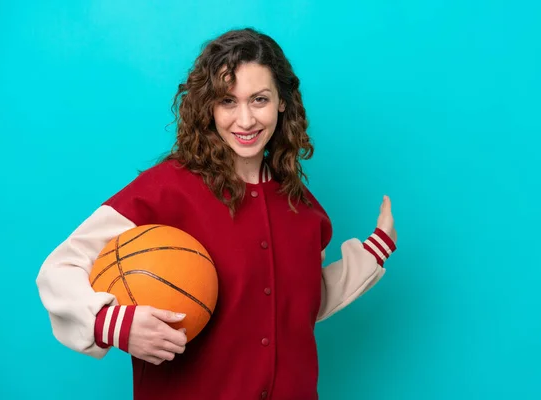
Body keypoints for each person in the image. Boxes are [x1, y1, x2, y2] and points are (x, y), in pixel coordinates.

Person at [36, 27, 397, 400]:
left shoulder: (304, 209)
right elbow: (59, 269)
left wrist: (375, 252)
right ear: (209, 106)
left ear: (282, 102)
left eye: (259, 100)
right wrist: (114, 324)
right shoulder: (165, 190)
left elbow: (299, 304)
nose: (245, 120)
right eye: (228, 101)